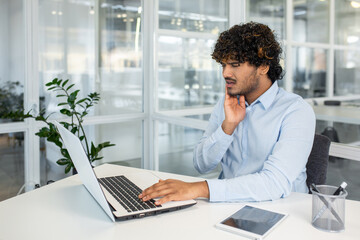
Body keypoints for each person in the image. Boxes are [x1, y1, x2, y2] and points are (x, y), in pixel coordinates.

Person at [139, 22, 315, 205]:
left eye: (235, 64)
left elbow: (275, 183)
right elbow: (201, 164)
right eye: (223, 65)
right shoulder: (228, 104)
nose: (225, 73)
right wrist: (227, 127)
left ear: (263, 66)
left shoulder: (296, 111)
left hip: (282, 210)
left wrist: (198, 188)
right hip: (229, 204)